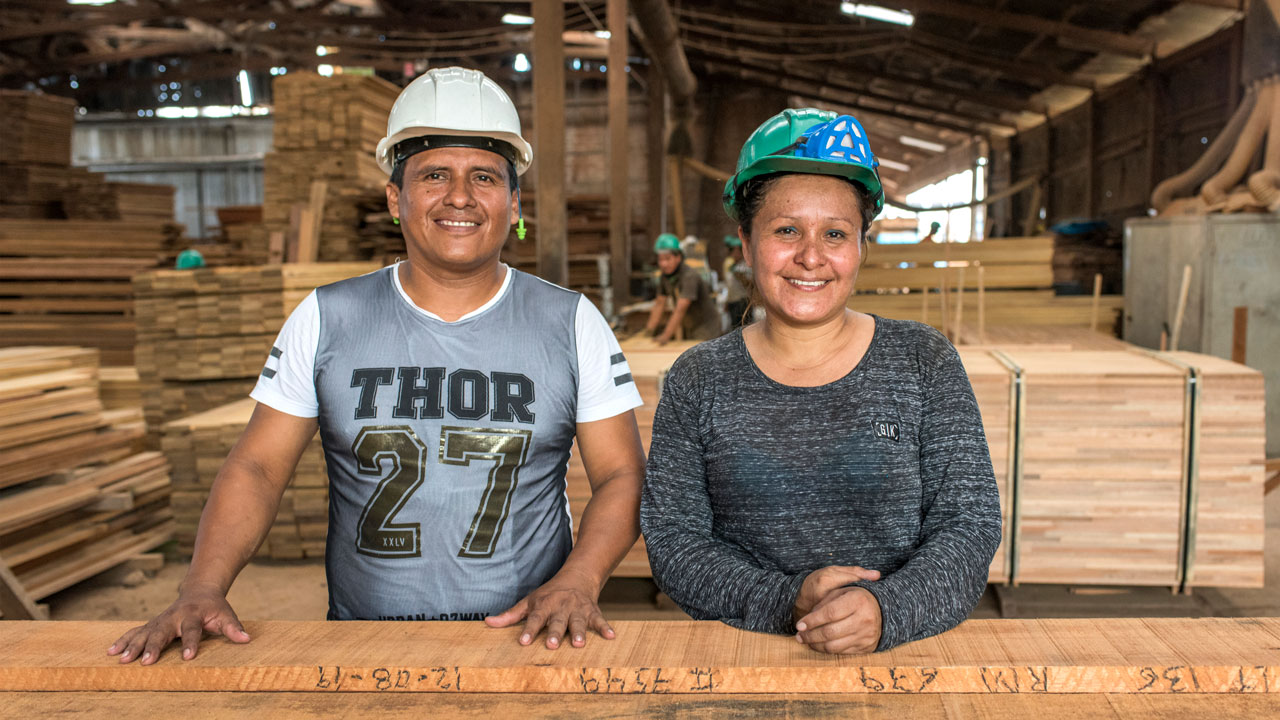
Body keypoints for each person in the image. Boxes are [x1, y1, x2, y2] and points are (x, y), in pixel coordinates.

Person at [109, 67, 647, 665]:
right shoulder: (327, 317)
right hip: (364, 645)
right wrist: (202, 588)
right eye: (434, 175)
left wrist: (580, 580)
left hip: (529, 642)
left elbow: (622, 476)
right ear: (395, 198)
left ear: (514, 201)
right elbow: (258, 467)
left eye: (486, 177)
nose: (460, 197)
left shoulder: (571, 322)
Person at [640, 109, 1001, 654]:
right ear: (746, 240)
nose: (811, 257)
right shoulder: (699, 378)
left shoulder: (923, 361)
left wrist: (887, 609)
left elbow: (969, 525)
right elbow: (675, 542)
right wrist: (788, 600)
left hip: (903, 658)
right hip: (744, 662)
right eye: (786, 231)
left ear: (861, 246)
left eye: (835, 233)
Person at [642, 233, 721, 344]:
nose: (663, 264)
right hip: (691, 326)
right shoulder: (665, 277)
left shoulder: (689, 276)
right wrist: (648, 333)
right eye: (660, 259)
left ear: (678, 257)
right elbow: (660, 304)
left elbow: (680, 309)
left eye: (667, 259)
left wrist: (665, 336)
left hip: (706, 327)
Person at [721, 234, 752, 328]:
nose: (732, 254)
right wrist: (727, 302)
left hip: (742, 303)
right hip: (733, 302)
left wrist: (741, 277)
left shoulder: (746, 266)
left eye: (734, 250)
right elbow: (729, 286)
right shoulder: (731, 266)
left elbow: (751, 285)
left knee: (744, 328)